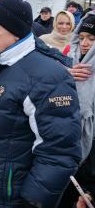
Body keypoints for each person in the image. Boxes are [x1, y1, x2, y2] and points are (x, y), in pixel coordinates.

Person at [0, 0, 82, 208]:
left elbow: (59, 152)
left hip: (13, 200)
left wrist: (33, 201)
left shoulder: (47, 77)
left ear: (14, 31)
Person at [60, 15, 95, 207]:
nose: (84, 43)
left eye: (91, 38)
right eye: (81, 38)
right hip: (67, 141)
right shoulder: (68, 62)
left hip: (90, 153)